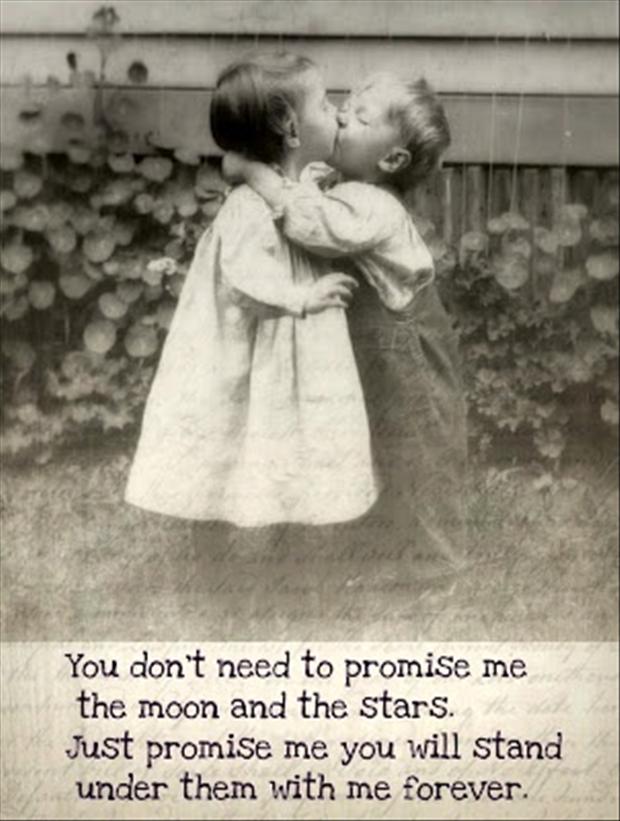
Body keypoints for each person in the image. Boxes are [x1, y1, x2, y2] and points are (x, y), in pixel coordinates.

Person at [223, 72, 469, 589]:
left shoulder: (375, 205)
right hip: (374, 344)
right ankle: (383, 551)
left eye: (359, 117)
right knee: (373, 445)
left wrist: (254, 173)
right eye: (344, 105)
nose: (340, 115)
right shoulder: (339, 183)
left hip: (407, 347)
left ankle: (435, 566)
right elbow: (305, 192)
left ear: (392, 160)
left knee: (417, 451)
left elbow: (312, 225)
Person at [125, 54, 377, 547]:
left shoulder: (303, 181)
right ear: (290, 128)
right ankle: (228, 543)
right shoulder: (247, 207)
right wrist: (300, 296)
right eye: (324, 104)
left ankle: (292, 525)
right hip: (255, 337)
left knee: (296, 427)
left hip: (294, 342)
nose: (336, 112)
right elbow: (243, 278)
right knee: (244, 426)